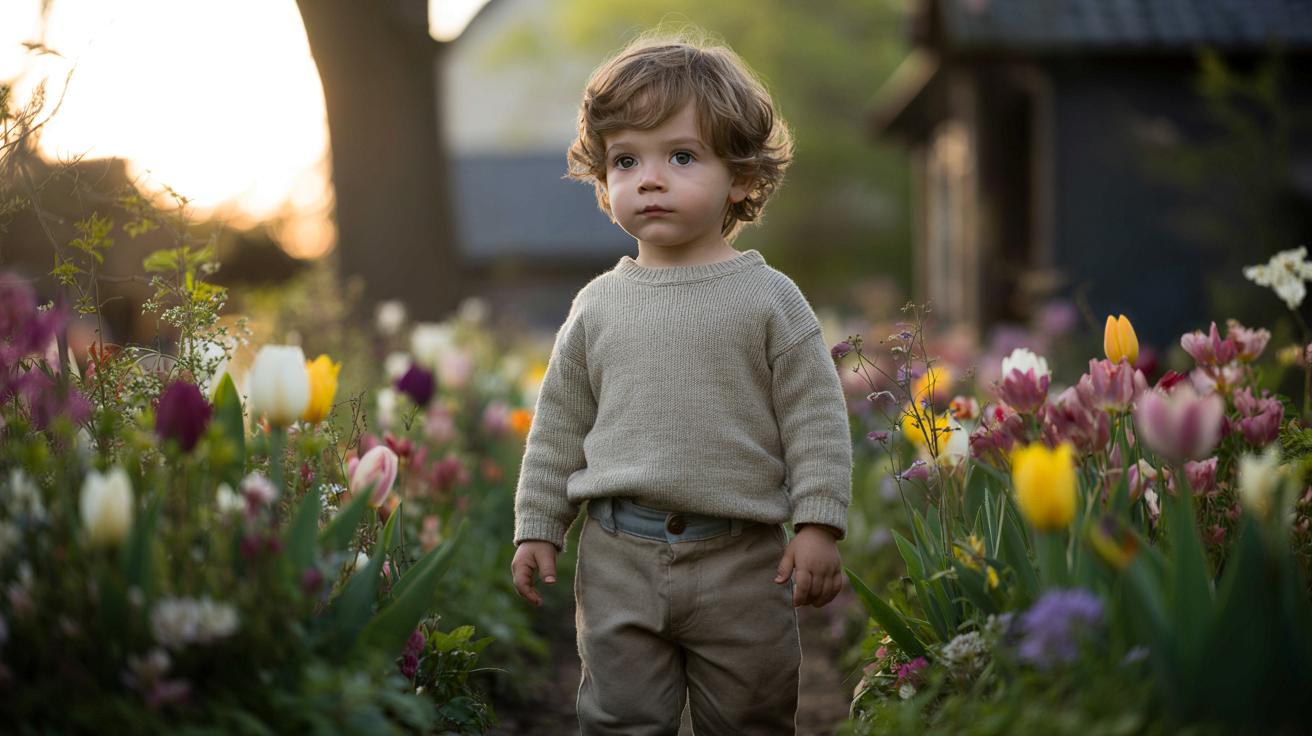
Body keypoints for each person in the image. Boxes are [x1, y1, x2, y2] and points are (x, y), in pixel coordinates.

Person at [510, 30, 853, 735]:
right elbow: (559, 428)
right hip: (617, 559)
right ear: (604, 183)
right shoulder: (597, 306)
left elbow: (814, 418)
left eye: (682, 156)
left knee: (752, 717)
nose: (651, 177)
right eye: (626, 160)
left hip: (742, 560)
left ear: (744, 177)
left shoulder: (768, 300)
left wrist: (818, 525)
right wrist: (538, 526)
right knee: (618, 717)